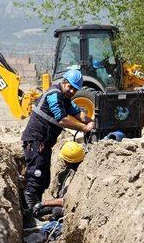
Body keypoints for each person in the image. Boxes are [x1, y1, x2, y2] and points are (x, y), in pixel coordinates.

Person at [21, 68, 94, 220]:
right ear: (64, 82)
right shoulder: (54, 95)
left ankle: (36, 210)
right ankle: (30, 217)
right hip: (35, 141)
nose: (72, 91)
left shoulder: (65, 98)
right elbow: (62, 119)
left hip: (44, 143)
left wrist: (91, 121)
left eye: (75, 89)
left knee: (43, 179)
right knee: (36, 176)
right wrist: (84, 128)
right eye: (70, 87)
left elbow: (77, 113)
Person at [33, 140, 85, 220]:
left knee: (56, 211)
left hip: (75, 211)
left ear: (67, 161)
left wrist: (44, 203)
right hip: (67, 204)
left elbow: (66, 201)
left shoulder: (81, 176)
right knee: (46, 209)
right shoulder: (76, 170)